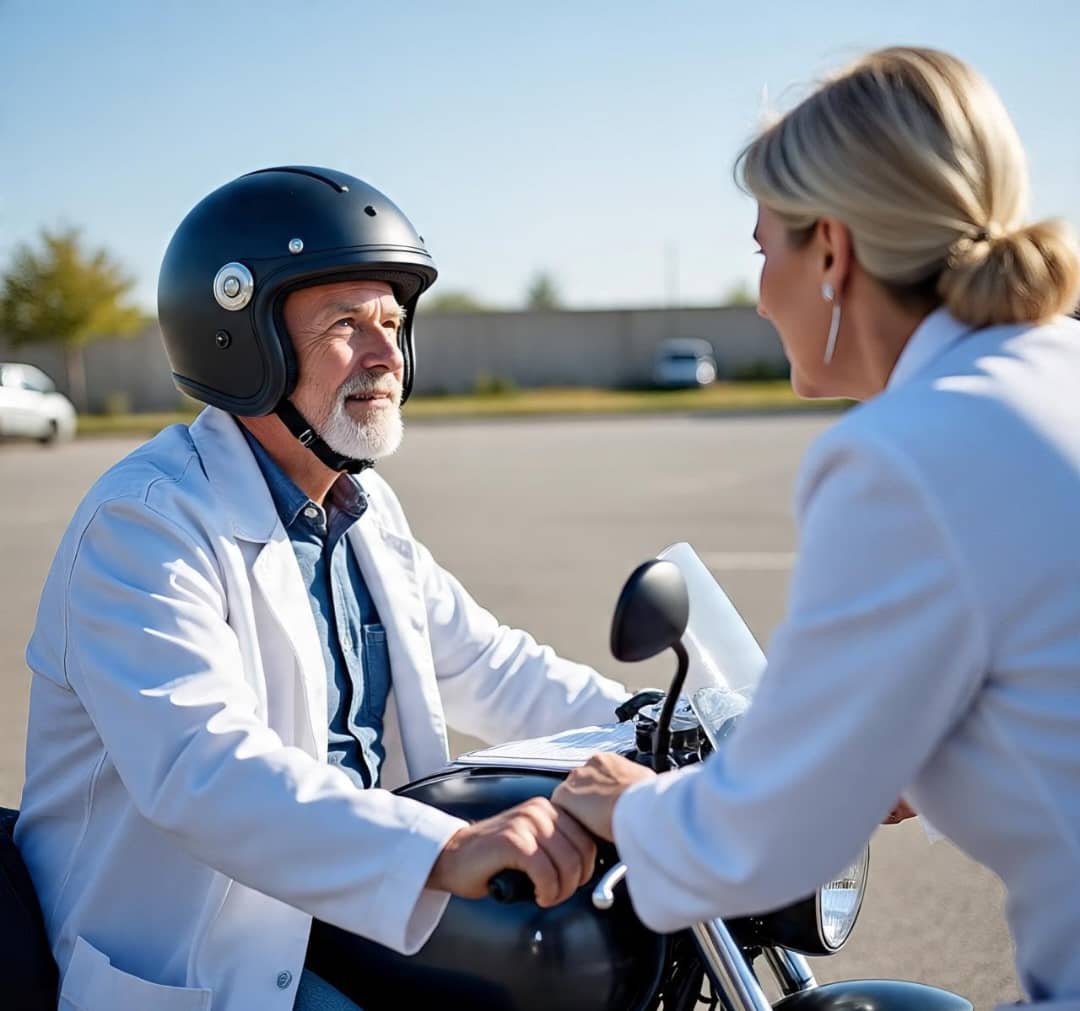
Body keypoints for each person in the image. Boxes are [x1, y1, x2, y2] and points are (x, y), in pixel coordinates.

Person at [15, 166, 627, 1011]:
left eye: (392, 322)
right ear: (243, 343)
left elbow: (497, 667)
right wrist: (444, 847)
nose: (385, 354)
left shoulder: (362, 508)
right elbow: (205, 767)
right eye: (346, 324)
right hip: (204, 963)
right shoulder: (143, 524)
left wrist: (678, 729)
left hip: (341, 923)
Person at [553, 47, 1080, 1009]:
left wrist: (633, 805)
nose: (759, 294)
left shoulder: (908, 452)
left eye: (764, 248)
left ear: (831, 250)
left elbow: (768, 835)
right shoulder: (1054, 372)